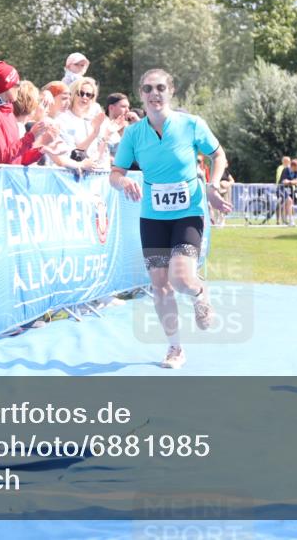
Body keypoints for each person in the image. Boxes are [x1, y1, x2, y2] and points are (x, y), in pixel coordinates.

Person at [110, 68, 232, 369]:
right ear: (141, 94)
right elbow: (115, 172)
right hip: (152, 217)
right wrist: (124, 182)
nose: (154, 94)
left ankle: (200, 290)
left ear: (171, 91)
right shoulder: (134, 134)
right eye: (148, 89)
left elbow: (219, 156)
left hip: (188, 211)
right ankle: (175, 348)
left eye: (160, 88)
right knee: (160, 285)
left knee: (181, 279)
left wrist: (213, 186)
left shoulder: (191, 125)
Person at [0, 61, 54, 166]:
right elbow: (2, 159)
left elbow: (19, 158)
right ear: (7, 86)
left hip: (9, 178)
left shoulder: (8, 110)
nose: (19, 88)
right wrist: (31, 136)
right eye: (17, 85)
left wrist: (42, 150)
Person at [57, 77, 110, 169]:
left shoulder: (94, 120)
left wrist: (107, 135)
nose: (85, 97)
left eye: (89, 95)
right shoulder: (62, 118)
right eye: (81, 93)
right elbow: (73, 153)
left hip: (93, 173)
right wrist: (94, 134)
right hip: (70, 172)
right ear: (72, 94)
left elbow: (99, 154)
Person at [278, 159, 297, 226]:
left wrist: (290, 182)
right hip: (281, 189)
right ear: (293, 166)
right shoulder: (286, 170)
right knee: (289, 201)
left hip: (289, 190)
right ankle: (291, 220)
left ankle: (285, 221)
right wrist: (293, 182)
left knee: (288, 204)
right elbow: (284, 182)